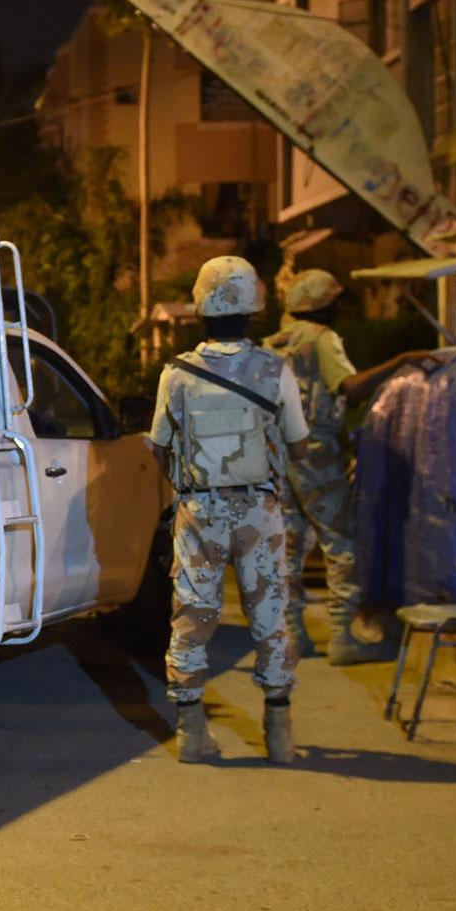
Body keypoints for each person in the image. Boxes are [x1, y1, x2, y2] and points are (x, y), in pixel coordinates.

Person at [150, 257, 309, 765]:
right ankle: (279, 734)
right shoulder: (273, 369)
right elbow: (299, 444)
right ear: (254, 308)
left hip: (199, 511)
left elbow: (157, 447)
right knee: (270, 615)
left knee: (192, 616)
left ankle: (191, 733)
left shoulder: (176, 374)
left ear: (201, 307)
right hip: (259, 511)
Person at [264, 269, 425, 665]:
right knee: (341, 541)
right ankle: (342, 636)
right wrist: (402, 360)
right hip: (314, 451)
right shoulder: (321, 340)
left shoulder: (274, 342)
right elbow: (349, 387)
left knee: (289, 543)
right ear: (323, 307)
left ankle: (293, 635)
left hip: (274, 451)